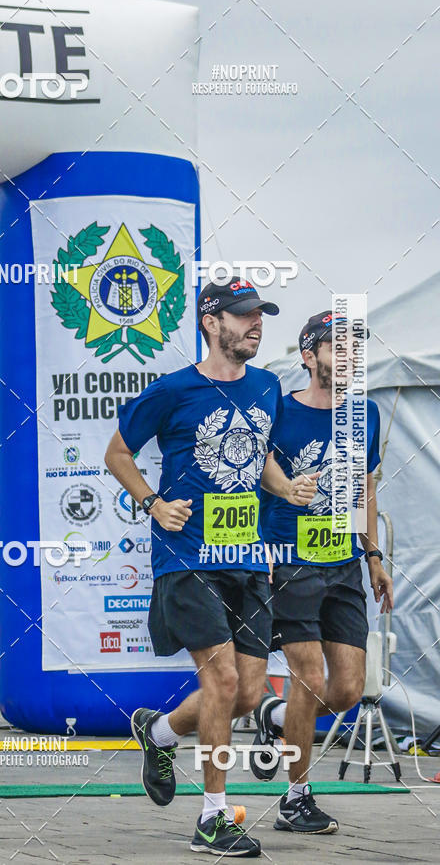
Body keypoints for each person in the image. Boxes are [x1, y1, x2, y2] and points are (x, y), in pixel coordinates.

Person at [105, 279, 319, 858]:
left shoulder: (267, 386)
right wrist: (153, 503)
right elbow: (117, 453)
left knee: (245, 694)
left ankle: (158, 732)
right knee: (221, 682)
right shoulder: (172, 390)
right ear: (211, 322)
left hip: (247, 558)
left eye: (261, 316)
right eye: (244, 315)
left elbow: (260, 453)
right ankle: (213, 818)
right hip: (188, 557)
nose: (256, 325)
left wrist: (286, 488)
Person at [251, 311, 393, 833]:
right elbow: (250, 475)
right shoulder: (278, 409)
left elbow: (365, 488)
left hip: (344, 565)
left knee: (349, 689)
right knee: (308, 681)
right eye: (338, 347)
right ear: (309, 356)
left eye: (355, 348)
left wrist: (373, 555)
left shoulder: (366, 413)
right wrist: (259, 550)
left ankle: (273, 717)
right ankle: (295, 799)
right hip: (290, 559)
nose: (350, 357)